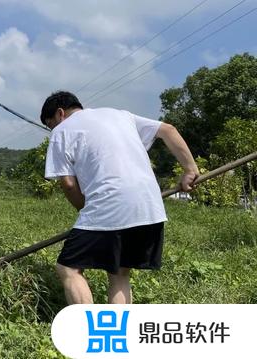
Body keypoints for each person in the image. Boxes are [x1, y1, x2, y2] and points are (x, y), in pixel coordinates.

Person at [41, 91, 199, 305]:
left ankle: (88, 332)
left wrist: (86, 211)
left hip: (109, 204)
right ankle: (116, 334)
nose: (53, 130)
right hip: (149, 208)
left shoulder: (61, 130)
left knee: (68, 268)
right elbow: (168, 130)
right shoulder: (121, 115)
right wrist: (190, 168)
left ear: (60, 114)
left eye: (50, 124)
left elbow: (69, 185)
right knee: (120, 273)